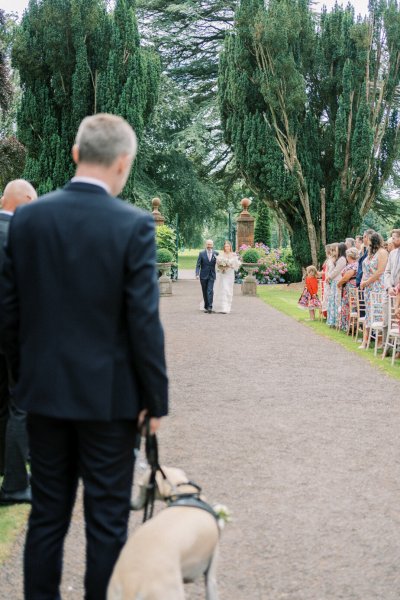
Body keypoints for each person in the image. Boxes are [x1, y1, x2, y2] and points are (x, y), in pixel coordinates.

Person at [0, 114, 169, 600]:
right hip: (110, 401)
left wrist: (22, 376)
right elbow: (144, 323)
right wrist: (154, 402)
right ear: (123, 162)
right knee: (107, 525)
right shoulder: (134, 224)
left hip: (44, 394)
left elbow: (9, 314)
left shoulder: (29, 219)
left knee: (47, 518)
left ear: (75, 155)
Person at [0, 180, 37, 506]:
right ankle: (13, 484)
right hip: (14, 335)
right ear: (25, 200)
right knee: (20, 405)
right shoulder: (21, 237)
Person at [359, 232, 388, 349]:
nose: (366, 241)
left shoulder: (382, 252)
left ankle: (380, 341)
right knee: (368, 313)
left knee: (378, 313)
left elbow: (380, 271)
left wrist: (367, 282)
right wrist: (362, 281)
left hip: (377, 287)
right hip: (368, 288)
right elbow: (364, 269)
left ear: (374, 240)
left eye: (369, 240)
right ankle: (365, 341)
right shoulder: (370, 253)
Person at [213, 241, 241, 314]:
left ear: (230, 247)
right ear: (224, 247)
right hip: (223, 274)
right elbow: (217, 266)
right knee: (223, 288)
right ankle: (223, 307)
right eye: (225, 246)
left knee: (229, 289)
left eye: (228, 246)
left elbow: (236, 266)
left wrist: (230, 266)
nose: (227, 248)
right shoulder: (221, 255)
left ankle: (227, 306)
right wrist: (222, 267)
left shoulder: (234, 255)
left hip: (230, 274)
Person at [383, 229, 400, 346]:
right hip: (390, 291)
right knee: (386, 319)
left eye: (394, 238)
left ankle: (398, 348)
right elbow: (387, 272)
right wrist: (389, 287)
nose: (392, 240)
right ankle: (386, 346)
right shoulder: (392, 253)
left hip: (399, 292)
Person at [337, 247, 359, 332]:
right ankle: (347, 325)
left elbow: (347, 277)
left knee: (350, 306)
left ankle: (350, 327)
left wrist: (339, 284)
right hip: (348, 288)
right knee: (347, 306)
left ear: (349, 256)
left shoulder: (354, 265)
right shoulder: (352, 265)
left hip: (351, 288)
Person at [326, 242, 347, 327]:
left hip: (337, 281)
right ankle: (332, 321)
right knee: (333, 301)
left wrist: (329, 277)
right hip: (334, 281)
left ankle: (337, 322)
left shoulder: (342, 259)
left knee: (337, 301)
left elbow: (337, 270)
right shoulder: (339, 259)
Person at [196, 239, 218, 313]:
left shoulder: (216, 253)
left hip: (212, 275)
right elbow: (198, 265)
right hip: (203, 275)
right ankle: (206, 305)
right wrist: (197, 274)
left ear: (212, 245)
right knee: (204, 291)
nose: (209, 246)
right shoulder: (201, 253)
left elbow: (219, 264)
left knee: (210, 290)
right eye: (208, 244)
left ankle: (210, 307)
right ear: (206, 245)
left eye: (210, 244)